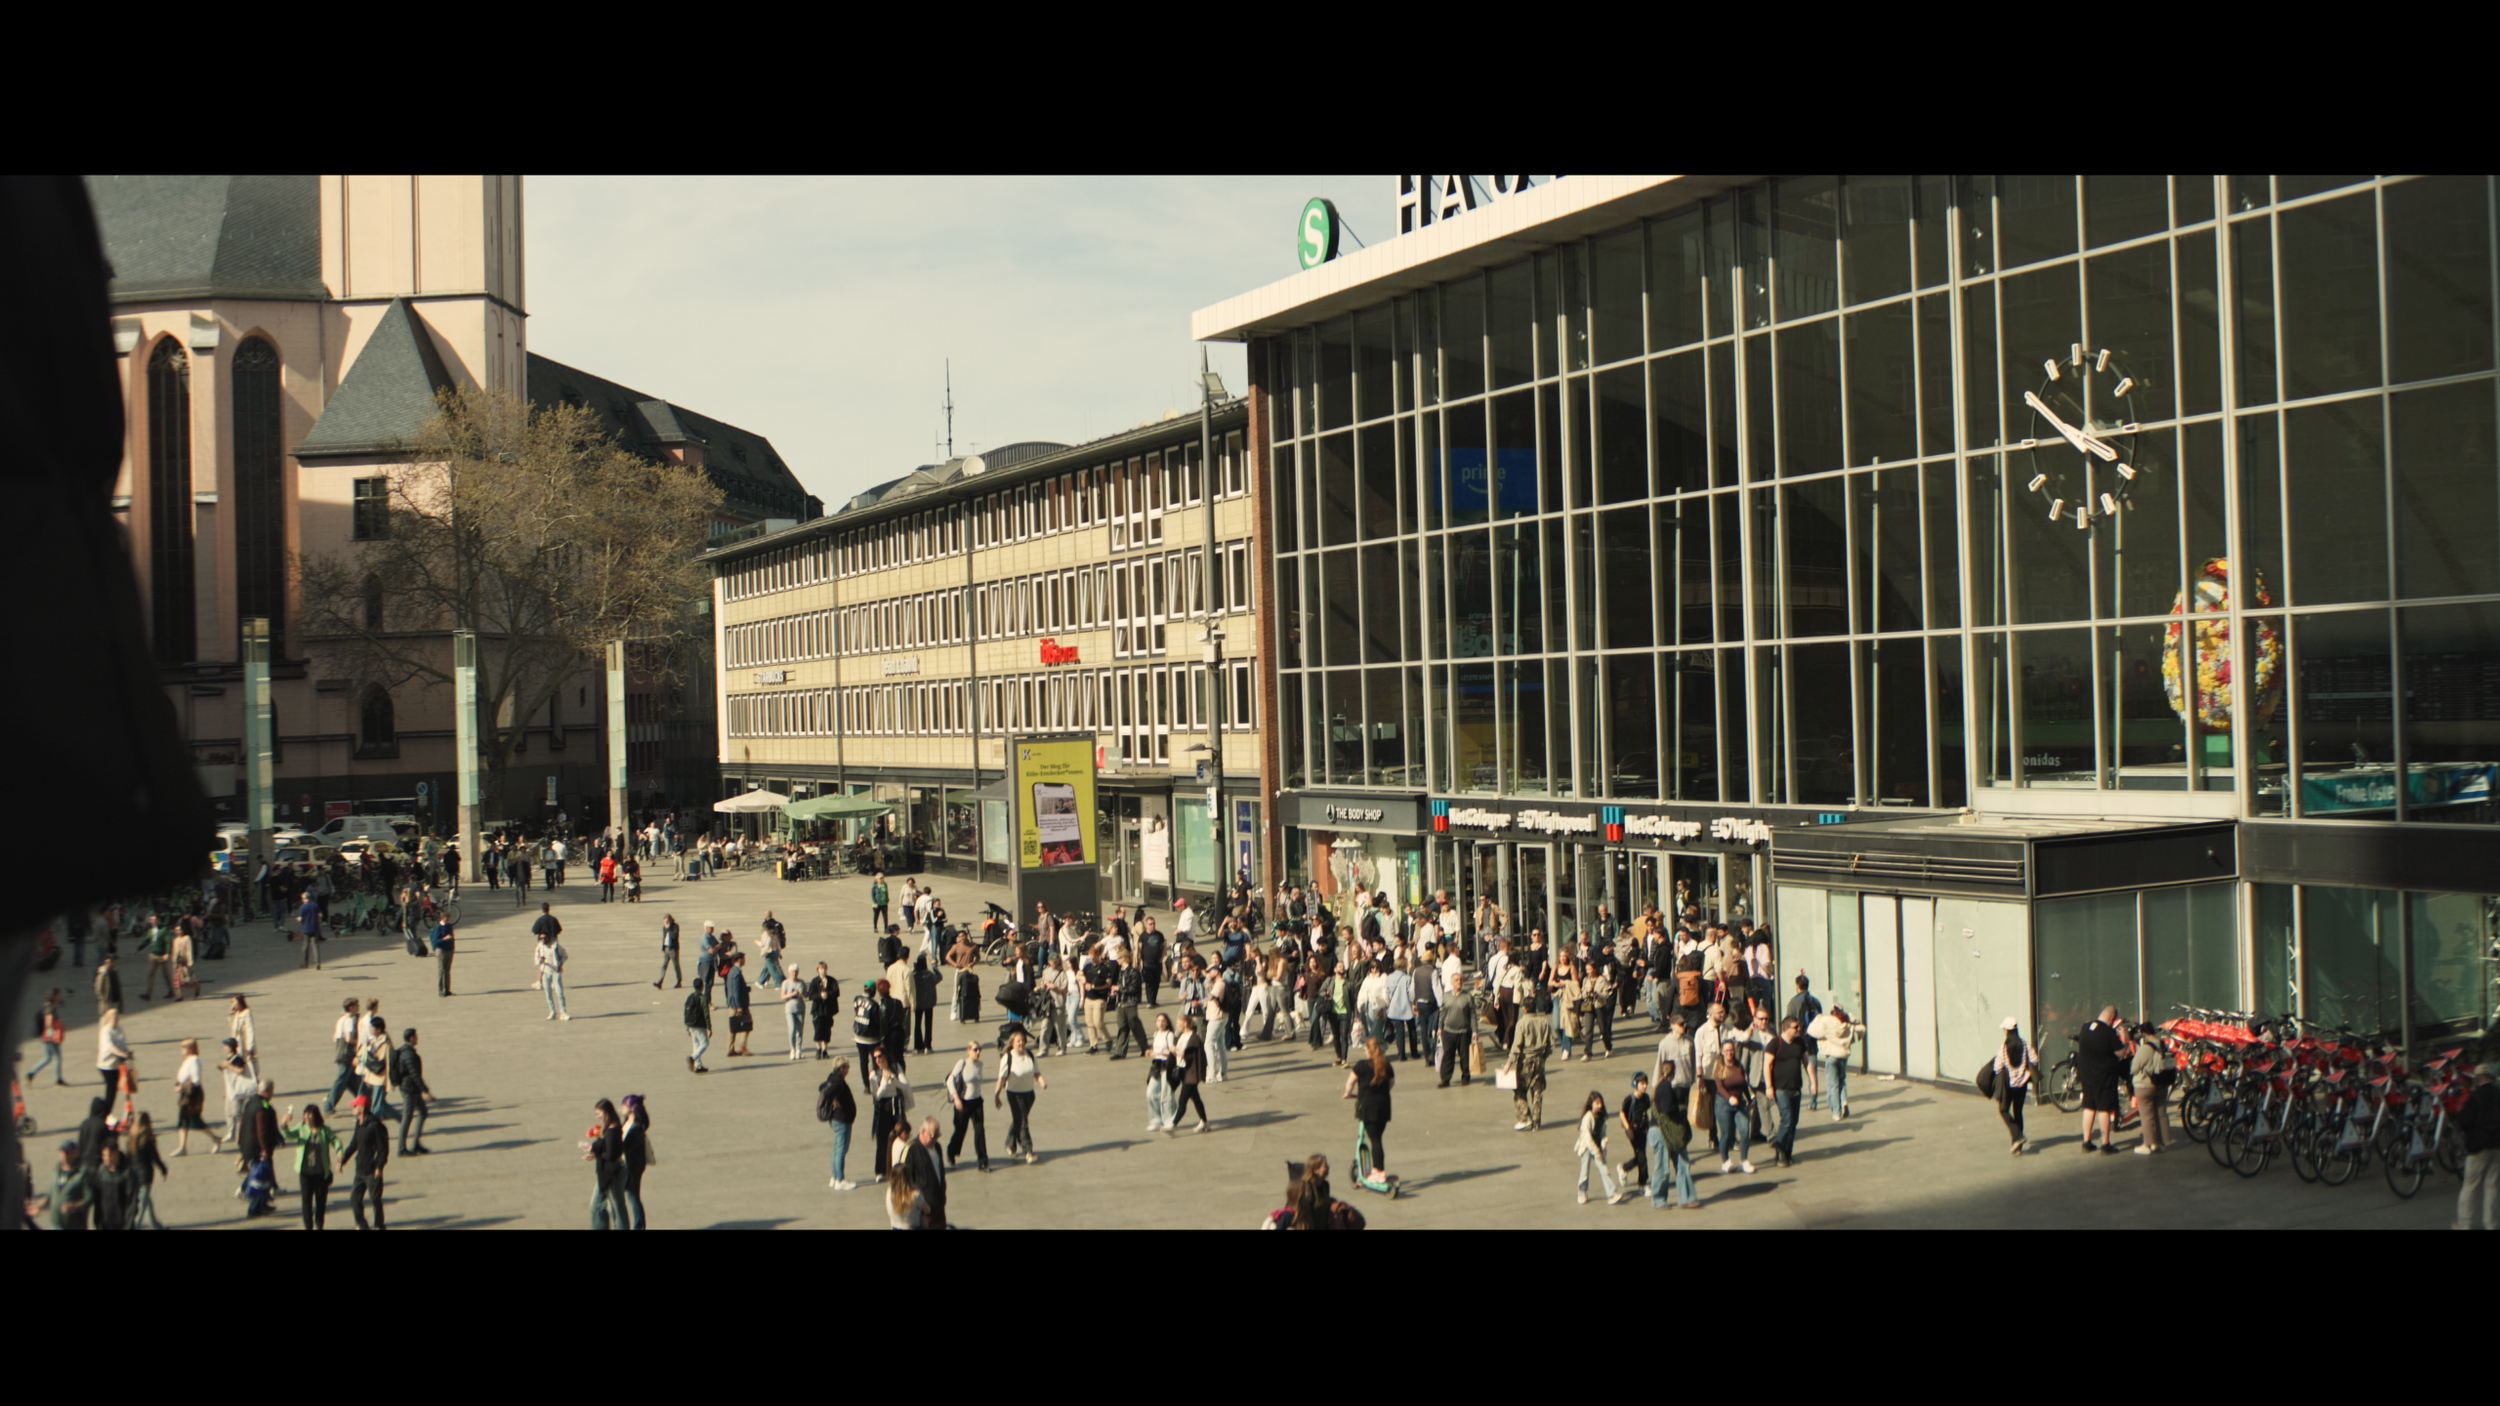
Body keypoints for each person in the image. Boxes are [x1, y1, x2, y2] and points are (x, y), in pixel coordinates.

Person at [2075, 1005, 2132, 1155]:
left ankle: (2086, 1142)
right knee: (2104, 1109)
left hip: (2086, 1075)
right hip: (2104, 1077)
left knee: (2089, 1107)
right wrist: (2124, 1037)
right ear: (2112, 1018)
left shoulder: (2086, 1026)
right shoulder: (2108, 1032)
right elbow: (2122, 1053)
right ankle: (2105, 1144)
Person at [278, 1104, 343, 1230]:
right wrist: (283, 1125)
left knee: (321, 1203)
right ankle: (308, 1226)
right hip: (305, 1173)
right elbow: (289, 1135)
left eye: (309, 1115)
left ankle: (319, 1225)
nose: (306, 1117)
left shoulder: (324, 1130)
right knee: (306, 1203)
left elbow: (336, 1141)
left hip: (321, 1173)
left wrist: (339, 1153)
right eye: (305, 1114)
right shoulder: (302, 1128)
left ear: (316, 1116)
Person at [1709, 1023, 1757, 1176]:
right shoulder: (1719, 1067)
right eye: (1726, 1051)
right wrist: (1729, 1098)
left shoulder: (1738, 1065)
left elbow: (1743, 1084)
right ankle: (1725, 1161)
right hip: (1723, 1104)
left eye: (1731, 1050)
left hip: (1739, 1103)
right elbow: (1719, 1087)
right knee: (1727, 1135)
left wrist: (1749, 1100)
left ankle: (1744, 1160)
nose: (1729, 1053)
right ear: (1722, 1052)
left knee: (1744, 1130)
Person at [2455, 1065, 2499, 1231]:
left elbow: (2463, 1121)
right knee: (2492, 1186)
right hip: (2497, 1146)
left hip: (2478, 1147)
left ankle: (2465, 1223)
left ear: (2478, 1077)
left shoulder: (2475, 1096)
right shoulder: (2498, 1094)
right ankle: (2491, 1224)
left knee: (2470, 1186)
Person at [1343, 1036, 1392, 1173]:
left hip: (1368, 1106)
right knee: (1377, 1138)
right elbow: (1391, 1083)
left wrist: (1348, 1093)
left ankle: (1378, 1171)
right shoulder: (1385, 1065)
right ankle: (1378, 1169)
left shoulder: (1361, 1066)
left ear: (1369, 1051)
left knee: (1375, 1140)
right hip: (1383, 1105)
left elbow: (1350, 1083)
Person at [342, 1095, 390, 1231]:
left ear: (361, 1108)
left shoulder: (376, 1126)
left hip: (372, 1171)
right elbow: (354, 1144)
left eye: (354, 1106)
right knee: (354, 1199)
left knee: (375, 1200)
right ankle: (362, 1225)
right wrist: (343, 1159)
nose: (352, 1108)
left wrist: (379, 1167)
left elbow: (383, 1150)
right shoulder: (359, 1123)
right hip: (360, 1170)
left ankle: (379, 1225)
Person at [1508, 993, 1554, 1131]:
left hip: (1525, 1061)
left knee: (1519, 1091)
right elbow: (1551, 1045)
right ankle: (1536, 1122)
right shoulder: (1545, 1022)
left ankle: (1524, 1118)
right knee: (1537, 1092)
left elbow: (1516, 1046)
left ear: (1524, 1008)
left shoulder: (1522, 1023)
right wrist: (1543, 1057)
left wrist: (1509, 1063)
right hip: (1539, 1060)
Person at [1806, 1005, 1860, 1120]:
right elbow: (1859, 1028)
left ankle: (1836, 1112)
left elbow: (1811, 1031)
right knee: (1842, 1081)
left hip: (1831, 1056)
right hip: (1843, 1056)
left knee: (1832, 1085)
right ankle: (1844, 1102)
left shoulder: (1826, 1021)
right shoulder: (1847, 1022)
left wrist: (1817, 1018)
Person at [1574, 1089, 1626, 1205]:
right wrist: (1595, 1151)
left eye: (1600, 1103)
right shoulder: (1587, 1117)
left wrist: (1603, 1144)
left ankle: (1611, 1194)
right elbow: (1586, 1137)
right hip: (1587, 1148)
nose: (1599, 1105)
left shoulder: (1602, 1118)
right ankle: (1582, 1193)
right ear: (1591, 1103)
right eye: (1596, 1103)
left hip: (1598, 1148)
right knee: (1584, 1172)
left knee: (1604, 1170)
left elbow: (1603, 1134)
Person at [2127, 1017, 2170, 1156]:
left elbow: (2134, 1068)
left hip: (2145, 1085)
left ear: (2144, 1034)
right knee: (2161, 1113)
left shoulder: (2145, 1048)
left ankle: (2148, 1144)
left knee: (2147, 1116)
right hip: (2162, 1084)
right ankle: (2161, 1143)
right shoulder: (2163, 1045)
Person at [944, 1041, 989, 1172]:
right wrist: (956, 1098)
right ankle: (951, 1151)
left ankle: (983, 1161)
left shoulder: (980, 1065)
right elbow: (950, 1080)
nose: (978, 1052)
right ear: (968, 1050)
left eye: (979, 1049)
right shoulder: (962, 1063)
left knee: (980, 1130)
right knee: (960, 1130)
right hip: (963, 1101)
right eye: (975, 1049)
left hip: (977, 1101)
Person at [585, 1099, 626, 1229]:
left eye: (599, 1114)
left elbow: (611, 1154)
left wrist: (596, 1154)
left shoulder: (613, 1129)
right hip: (609, 1172)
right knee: (611, 1205)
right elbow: (608, 1146)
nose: (598, 1117)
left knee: (610, 1206)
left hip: (612, 1173)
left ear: (606, 1112)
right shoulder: (612, 1126)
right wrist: (594, 1147)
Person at [902, 1115, 948, 1229]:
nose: (935, 1139)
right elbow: (904, 1181)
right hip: (923, 1210)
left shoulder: (937, 1147)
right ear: (923, 1132)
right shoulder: (911, 1150)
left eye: (938, 1136)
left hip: (939, 1206)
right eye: (933, 1136)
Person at [868, 1048, 908, 1179]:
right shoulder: (874, 1074)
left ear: (886, 1055)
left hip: (896, 1105)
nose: (878, 1059)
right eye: (875, 1058)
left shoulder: (896, 1067)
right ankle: (880, 1171)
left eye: (880, 1056)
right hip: (883, 1108)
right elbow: (877, 1095)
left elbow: (905, 1085)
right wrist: (885, 1082)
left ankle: (899, 1168)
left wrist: (893, 1079)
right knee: (882, 1139)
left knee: (900, 1136)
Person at [125, 1112, 168, 1229]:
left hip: (133, 1175)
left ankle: (156, 1226)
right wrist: (163, 1168)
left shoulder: (131, 1137)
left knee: (147, 1201)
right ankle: (135, 1226)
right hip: (145, 1175)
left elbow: (127, 1157)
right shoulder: (147, 1139)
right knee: (143, 1204)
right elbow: (154, 1157)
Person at [821, 1059, 858, 1190]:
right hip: (841, 1120)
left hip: (839, 1120)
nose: (849, 1069)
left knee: (837, 1149)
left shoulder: (832, 1077)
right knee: (841, 1150)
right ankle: (840, 1180)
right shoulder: (838, 1082)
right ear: (842, 1068)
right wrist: (833, 1100)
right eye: (847, 1066)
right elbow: (826, 1092)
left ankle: (834, 1177)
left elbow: (822, 1086)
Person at [616, 1095, 651, 1230]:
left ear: (631, 1108)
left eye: (623, 1106)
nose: (621, 1108)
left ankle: (639, 1226)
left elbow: (628, 1146)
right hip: (633, 1163)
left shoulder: (636, 1125)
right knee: (632, 1195)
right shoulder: (629, 1120)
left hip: (633, 1165)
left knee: (633, 1195)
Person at [1145, 1012, 1180, 1133]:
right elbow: (1154, 1049)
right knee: (1151, 1092)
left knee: (1166, 1094)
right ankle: (1155, 1120)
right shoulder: (1156, 1034)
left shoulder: (1169, 1034)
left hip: (1167, 1065)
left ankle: (1169, 1120)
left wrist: (1171, 1051)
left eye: (1163, 1021)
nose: (1161, 1023)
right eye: (1158, 1021)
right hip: (1157, 1065)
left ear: (1167, 1022)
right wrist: (1150, 1052)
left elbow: (1172, 1049)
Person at [532, 911, 570, 1021]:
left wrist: (561, 965)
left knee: (559, 992)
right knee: (548, 993)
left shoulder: (555, 946)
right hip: (546, 972)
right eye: (541, 938)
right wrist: (540, 960)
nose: (542, 940)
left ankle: (563, 1012)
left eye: (544, 938)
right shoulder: (540, 947)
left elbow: (565, 955)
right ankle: (552, 1011)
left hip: (555, 971)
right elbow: (536, 961)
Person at [1619, 1072, 1653, 1193]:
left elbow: (1647, 1109)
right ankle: (1643, 1184)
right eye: (1642, 1083)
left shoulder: (1646, 1098)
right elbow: (1622, 1113)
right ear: (1635, 1084)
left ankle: (1624, 1168)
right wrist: (1628, 1129)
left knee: (1640, 1156)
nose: (1645, 1086)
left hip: (1643, 1130)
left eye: (1646, 1083)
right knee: (1642, 1157)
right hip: (1633, 1131)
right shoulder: (1629, 1100)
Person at [28, 990, 67, 1086]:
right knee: (57, 1058)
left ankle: (32, 1072)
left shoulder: (45, 1005)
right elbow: (48, 1024)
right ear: (54, 996)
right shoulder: (50, 1008)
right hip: (50, 1037)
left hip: (45, 1036)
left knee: (47, 1058)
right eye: (58, 996)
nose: (59, 997)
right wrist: (53, 1035)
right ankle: (58, 1080)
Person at [95, 1006, 132, 1103]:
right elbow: (109, 1046)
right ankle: (105, 1112)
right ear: (108, 1018)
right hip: (106, 1065)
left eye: (116, 1016)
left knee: (113, 1090)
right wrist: (120, 1053)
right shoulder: (105, 1030)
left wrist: (127, 1052)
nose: (115, 1019)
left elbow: (123, 1043)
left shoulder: (119, 1029)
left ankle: (107, 1111)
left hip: (116, 1064)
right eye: (113, 1017)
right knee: (111, 1089)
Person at [808, 963, 840, 1060]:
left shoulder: (832, 980)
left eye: (825, 968)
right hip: (818, 1010)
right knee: (818, 1030)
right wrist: (819, 996)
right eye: (821, 968)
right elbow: (811, 995)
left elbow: (836, 992)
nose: (823, 970)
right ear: (818, 970)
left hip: (828, 1010)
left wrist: (828, 995)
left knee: (827, 1030)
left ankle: (825, 1050)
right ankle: (818, 1049)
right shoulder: (814, 982)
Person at [779, 966, 808, 1061]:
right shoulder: (786, 983)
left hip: (800, 1008)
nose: (794, 974)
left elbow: (806, 995)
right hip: (789, 1008)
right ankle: (792, 1049)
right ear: (789, 972)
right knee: (792, 1029)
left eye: (795, 972)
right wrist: (792, 994)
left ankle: (798, 1049)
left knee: (800, 1030)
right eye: (792, 972)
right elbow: (782, 996)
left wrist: (803, 992)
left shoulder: (801, 982)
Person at [684, 984, 712, 1074]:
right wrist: (709, 1027)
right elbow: (706, 1013)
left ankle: (698, 1065)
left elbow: (686, 1011)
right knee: (704, 1043)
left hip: (691, 1025)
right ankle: (693, 1058)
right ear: (702, 987)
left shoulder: (690, 997)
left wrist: (687, 1027)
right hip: (699, 1025)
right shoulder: (703, 998)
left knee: (696, 1045)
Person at [654, 913, 682, 990]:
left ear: (670, 920)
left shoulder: (675, 926)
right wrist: (663, 947)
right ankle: (660, 981)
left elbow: (674, 936)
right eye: (664, 922)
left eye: (666, 921)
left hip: (673, 948)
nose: (665, 923)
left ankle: (679, 981)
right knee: (664, 965)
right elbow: (664, 936)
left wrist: (668, 928)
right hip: (666, 948)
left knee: (676, 965)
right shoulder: (664, 927)